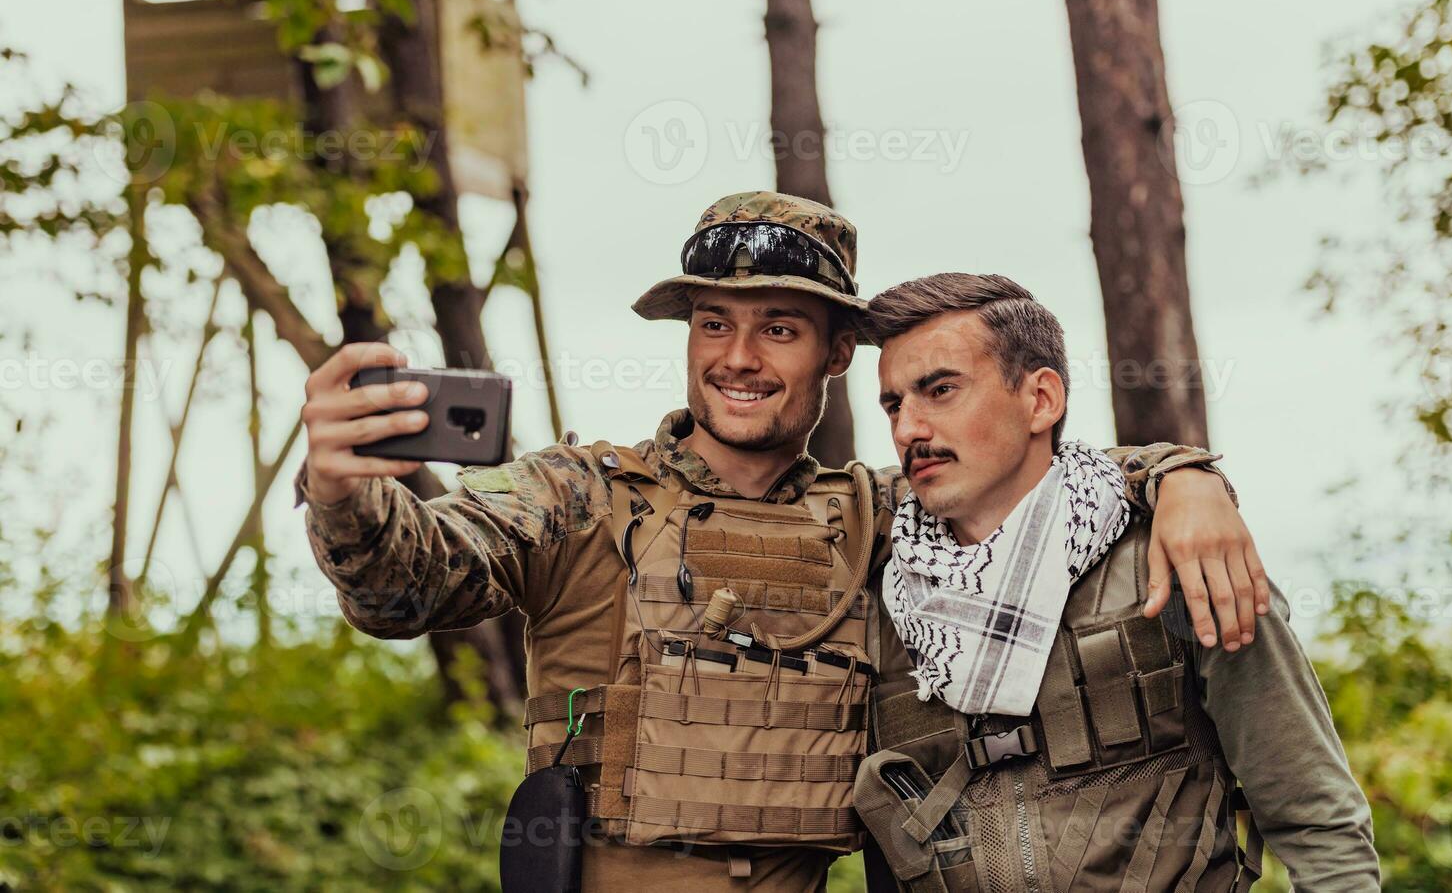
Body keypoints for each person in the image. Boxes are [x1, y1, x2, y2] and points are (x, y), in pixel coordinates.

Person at [295, 192, 1268, 891]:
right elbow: (407, 585)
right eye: (713, 323)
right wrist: (345, 495)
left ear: (838, 353)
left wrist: (1181, 476)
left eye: (779, 328)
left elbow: (1029, 479)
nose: (738, 357)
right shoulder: (584, 493)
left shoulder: (880, 517)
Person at [856, 272, 1378, 892]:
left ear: (1041, 400)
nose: (908, 428)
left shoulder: (1180, 563)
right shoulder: (881, 592)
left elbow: (1317, 823)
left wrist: (1186, 475)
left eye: (940, 390)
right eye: (893, 404)